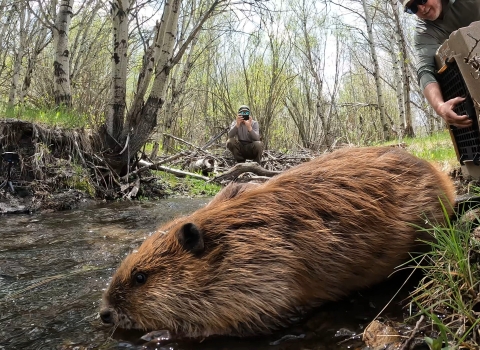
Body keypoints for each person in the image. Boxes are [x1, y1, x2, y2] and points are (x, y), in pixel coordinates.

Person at [402, 0, 480, 128]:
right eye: (413, 8)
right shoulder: (424, 32)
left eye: (421, 0)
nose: (421, 8)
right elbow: (425, 70)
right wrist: (439, 106)